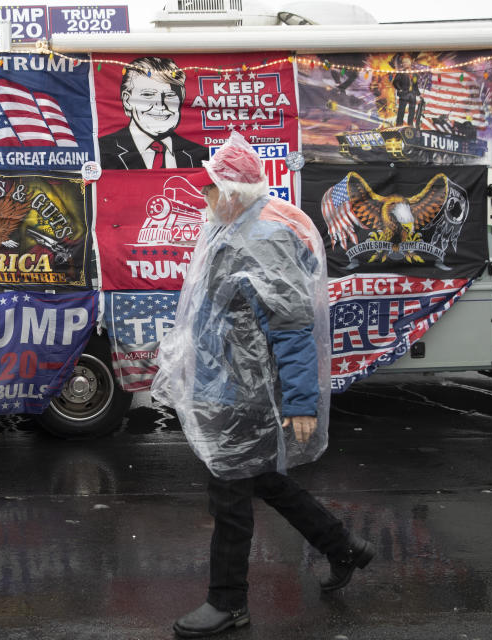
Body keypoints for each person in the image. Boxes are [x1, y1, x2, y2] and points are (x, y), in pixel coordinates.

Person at [152, 132, 374, 638]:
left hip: (244, 393)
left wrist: (300, 403)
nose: (204, 198)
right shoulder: (237, 228)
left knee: (228, 494)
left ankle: (228, 602)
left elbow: (292, 325)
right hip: (227, 382)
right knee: (265, 480)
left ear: (232, 192)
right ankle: (345, 547)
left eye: (211, 189)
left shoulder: (262, 238)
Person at [98, 56, 208, 170]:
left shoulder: (200, 154)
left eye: (170, 95)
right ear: (127, 100)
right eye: (148, 95)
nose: (160, 105)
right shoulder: (100, 149)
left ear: (182, 98)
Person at [392, 53, 422, 127]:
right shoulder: (401, 72)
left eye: (406, 62)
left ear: (410, 62)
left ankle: (410, 125)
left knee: (412, 111)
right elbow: (395, 82)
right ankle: (399, 125)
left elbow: (415, 85)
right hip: (404, 94)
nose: (405, 63)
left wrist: (418, 94)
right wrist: (400, 89)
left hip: (412, 95)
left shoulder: (414, 74)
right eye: (403, 62)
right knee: (401, 110)